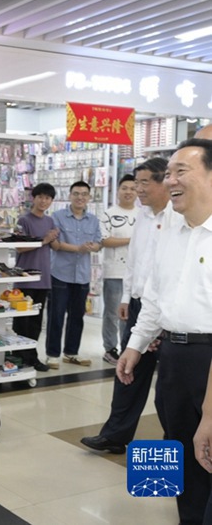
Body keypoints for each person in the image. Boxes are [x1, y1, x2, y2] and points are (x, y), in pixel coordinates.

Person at [118, 136, 212, 524]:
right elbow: (154, 298)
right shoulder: (170, 232)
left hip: (209, 360)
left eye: (181, 171)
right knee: (178, 448)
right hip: (172, 355)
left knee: (208, 446)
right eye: (168, 172)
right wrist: (136, 345)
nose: (169, 180)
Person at [80, 158, 172, 455]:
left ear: (164, 182)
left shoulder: (178, 217)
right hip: (138, 304)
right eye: (135, 183)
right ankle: (116, 435)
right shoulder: (143, 217)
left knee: (169, 391)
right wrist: (126, 297)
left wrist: (158, 324)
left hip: (167, 313)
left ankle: (175, 449)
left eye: (145, 183)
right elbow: (135, 260)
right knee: (127, 370)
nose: (138, 190)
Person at [45, 180, 102, 369]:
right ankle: (52, 354)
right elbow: (55, 244)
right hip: (60, 273)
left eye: (84, 194)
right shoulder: (57, 217)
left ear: (89, 197)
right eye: (76, 193)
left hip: (83, 275)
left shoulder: (93, 220)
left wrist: (93, 246)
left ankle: (71, 352)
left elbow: (98, 242)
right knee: (57, 316)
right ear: (70, 195)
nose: (80, 197)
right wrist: (78, 248)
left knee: (77, 317)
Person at [12, 183, 59, 371]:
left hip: (43, 279)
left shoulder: (50, 222)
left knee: (36, 322)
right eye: (40, 197)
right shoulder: (24, 221)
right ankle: (18, 355)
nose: (43, 201)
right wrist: (44, 240)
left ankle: (31, 355)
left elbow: (55, 246)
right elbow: (20, 246)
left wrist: (54, 239)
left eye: (48, 198)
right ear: (34, 198)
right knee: (21, 321)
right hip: (25, 278)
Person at [99, 174, 137, 365]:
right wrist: (133, 240)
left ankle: (127, 347)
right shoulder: (109, 213)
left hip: (137, 273)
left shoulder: (143, 214)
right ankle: (110, 348)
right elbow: (105, 240)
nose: (129, 192)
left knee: (131, 313)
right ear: (118, 191)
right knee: (113, 312)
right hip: (114, 271)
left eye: (133, 188)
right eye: (125, 188)